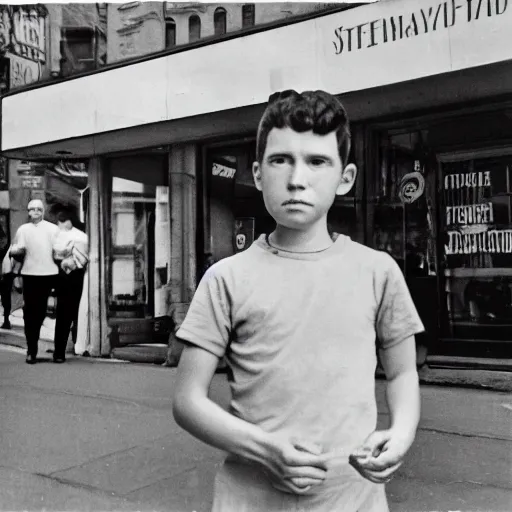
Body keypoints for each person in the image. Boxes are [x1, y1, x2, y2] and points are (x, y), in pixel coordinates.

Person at [172, 90, 424, 511]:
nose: (296, 179)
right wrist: (265, 449)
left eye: (317, 161)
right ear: (257, 173)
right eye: (280, 160)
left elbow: (401, 374)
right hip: (249, 500)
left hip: (355, 501)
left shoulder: (378, 272)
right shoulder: (226, 279)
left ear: (345, 178)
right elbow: (187, 401)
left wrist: (402, 433)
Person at [10, 199, 59, 364]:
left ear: (43, 211)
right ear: (28, 212)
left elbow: (59, 251)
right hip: (29, 274)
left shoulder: (53, 229)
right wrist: (15, 275)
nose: (36, 212)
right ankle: (31, 350)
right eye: (33, 209)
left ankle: (35, 343)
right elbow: (16, 254)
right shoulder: (23, 230)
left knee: (40, 312)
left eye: (39, 209)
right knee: (28, 313)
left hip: (49, 274)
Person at [52, 209, 89, 363]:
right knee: (75, 312)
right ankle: (76, 343)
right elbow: (83, 259)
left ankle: (59, 351)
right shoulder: (82, 236)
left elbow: (54, 255)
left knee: (62, 315)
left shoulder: (55, 235)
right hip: (78, 277)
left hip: (60, 276)